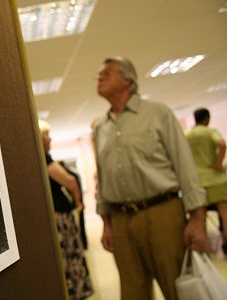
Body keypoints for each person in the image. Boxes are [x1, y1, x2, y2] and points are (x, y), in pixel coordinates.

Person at [93, 56, 207, 300]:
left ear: (128, 79)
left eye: (107, 73)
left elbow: (184, 165)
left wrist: (197, 218)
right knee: (133, 292)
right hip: (121, 219)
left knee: (177, 287)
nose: (99, 77)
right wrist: (106, 222)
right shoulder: (100, 128)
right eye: (99, 74)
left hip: (162, 213)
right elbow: (103, 177)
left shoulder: (158, 113)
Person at [38, 119, 92, 300]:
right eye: (47, 136)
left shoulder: (44, 158)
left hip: (60, 213)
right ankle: (74, 290)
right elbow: (69, 181)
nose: (50, 139)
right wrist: (78, 201)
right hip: (59, 216)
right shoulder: (44, 158)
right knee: (67, 255)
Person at [186, 108, 227, 252]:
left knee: (199, 217)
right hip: (216, 178)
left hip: (197, 181)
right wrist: (218, 163)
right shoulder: (210, 131)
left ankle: (204, 251)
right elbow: (222, 144)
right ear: (207, 119)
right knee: (225, 213)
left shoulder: (187, 134)